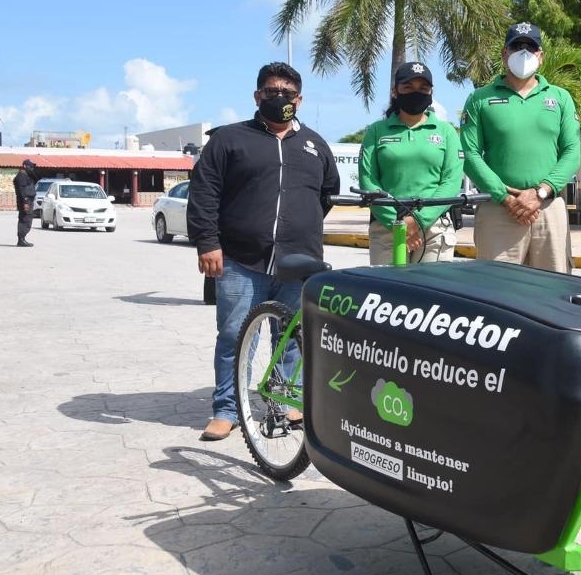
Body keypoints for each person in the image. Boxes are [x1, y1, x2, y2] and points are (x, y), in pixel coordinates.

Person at [187, 62, 340, 441]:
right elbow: (205, 191)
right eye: (272, 92)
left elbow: (327, 194)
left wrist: (297, 227)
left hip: (297, 263)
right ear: (257, 96)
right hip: (241, 260)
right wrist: (208, 242)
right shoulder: (229, 140)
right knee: (234, 336)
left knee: (292, 338)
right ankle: (227, 409)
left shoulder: (315, 144)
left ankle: (286, 399)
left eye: (288, 93)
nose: (280, 99)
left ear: (299, 99)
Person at [461, 22, 580, 273]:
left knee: (553, 292)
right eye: (517, 47)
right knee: (496, 294)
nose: (524, 52)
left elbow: (571, 152)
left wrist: (540, 193)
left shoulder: (560, 98)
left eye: (531, 47)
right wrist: (505, 198)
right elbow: (471, 155)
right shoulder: (480, 98)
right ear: (505, 53)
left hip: (548, 209)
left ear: (541, 55)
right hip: (497, 211)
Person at [359, 61, 462, 264]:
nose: (416, 93)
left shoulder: (446, 132)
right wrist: (399, 225)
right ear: (395, 91)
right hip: (387, 225)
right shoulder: (376, 131)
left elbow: (451, 182)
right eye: (408, 87)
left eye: (423, 88)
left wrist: (418, 221)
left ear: (431, 92)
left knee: (431, 293)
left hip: (434, 226)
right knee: (389, 293)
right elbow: (368, 181)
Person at [14, 159, 38, 247]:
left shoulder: (26, 175)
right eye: (30, 166)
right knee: (25, 220)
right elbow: (22, 190)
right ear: (25, 166)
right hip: (25, 201)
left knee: (27, 219)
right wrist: (25, 202)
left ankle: (22, 239)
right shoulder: (22, 176)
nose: (32, 168)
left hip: (28, 201)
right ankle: (21, 240)